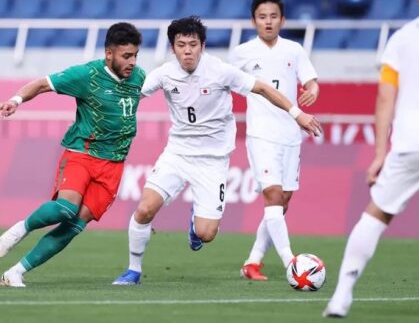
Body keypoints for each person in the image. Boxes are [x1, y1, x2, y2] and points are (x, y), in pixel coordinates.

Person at [112, 16, 322, 285]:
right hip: (177, 154)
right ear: (172, 48)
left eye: (193, 44)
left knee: (206, 233)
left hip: (212, 161)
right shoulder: (163, 74)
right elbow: (129, 98)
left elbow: (262, 88)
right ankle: (134, 270)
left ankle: (196, 224)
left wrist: (297, 114)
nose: (187, 51)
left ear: (203, 45)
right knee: (144, 209)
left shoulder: (220, 71)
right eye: (181, 45)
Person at [0, 22, 145, 288]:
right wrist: (14, 101)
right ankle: (21, 228)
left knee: (75, 225)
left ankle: (15, 272)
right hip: (82, 153)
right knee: (65, 208)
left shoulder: (140, 77)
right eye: (126, 56)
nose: (132, 62)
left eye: (135, 55)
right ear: (109, 54)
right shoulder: (86, 75)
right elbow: (41, 84)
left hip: (114, 165)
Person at [323, 0, 419, 318]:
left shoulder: (401, 40)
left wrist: (380, 154)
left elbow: (385, 99)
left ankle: (341, 295)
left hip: (410, 144)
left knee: (376, 215)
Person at [228, 0, 320, 281]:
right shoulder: (242, 53)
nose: (268, 22)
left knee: (283, 201)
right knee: (273, 196)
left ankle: (252, 262)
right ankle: (292, 263)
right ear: (253, 20)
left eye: (273, 16)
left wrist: (313, 89)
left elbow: (311, 81)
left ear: (283, 20)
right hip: (261, 134)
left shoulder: (294, 50)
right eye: (262, 17)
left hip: (291, 135)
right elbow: (224, 82)